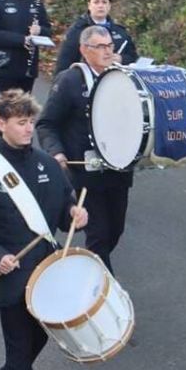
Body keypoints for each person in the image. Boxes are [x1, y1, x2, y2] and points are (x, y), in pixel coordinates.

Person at [0, 90, 87, 370]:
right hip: (11, 277)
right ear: (1, 124)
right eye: (21, 122)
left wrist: (75, 214)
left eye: (30, 121)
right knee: (19, 352)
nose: (29, 129)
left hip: (46, 274)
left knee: (37, 339)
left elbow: (65, 207)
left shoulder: (48, 165)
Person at [36, 25, 128, 271]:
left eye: (109, 46)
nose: (107, 51)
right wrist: (56, 152)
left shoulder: (122, 78)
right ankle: (105, 295)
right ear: (84, 50)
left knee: (114, 231)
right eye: (100, 46)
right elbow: (46, 123)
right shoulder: (70, 80)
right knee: (98, 235)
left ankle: (94, 272)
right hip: (86, 172)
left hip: (118, 171)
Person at [53, 0, 137, 74]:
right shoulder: (77, 31)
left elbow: (133, 57)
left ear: (109, 6)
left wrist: (121, 59)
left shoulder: (120, 32)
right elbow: (64, 64)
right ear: (89, 5)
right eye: (96, 2)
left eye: (104, 2)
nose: (100, 6)